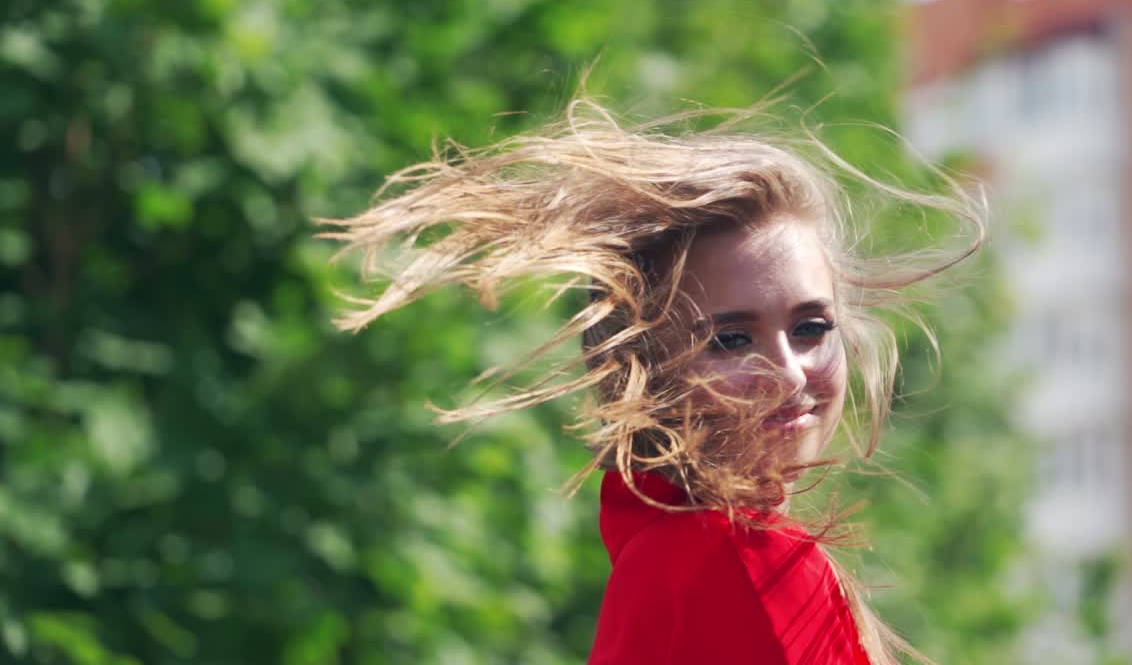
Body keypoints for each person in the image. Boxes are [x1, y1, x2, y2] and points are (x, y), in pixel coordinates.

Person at [320, 97, 985, 664]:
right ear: (644, 363)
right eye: (730, 339)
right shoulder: (743, 564)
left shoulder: (661, 561)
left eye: (811, 328)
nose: (786, 372)